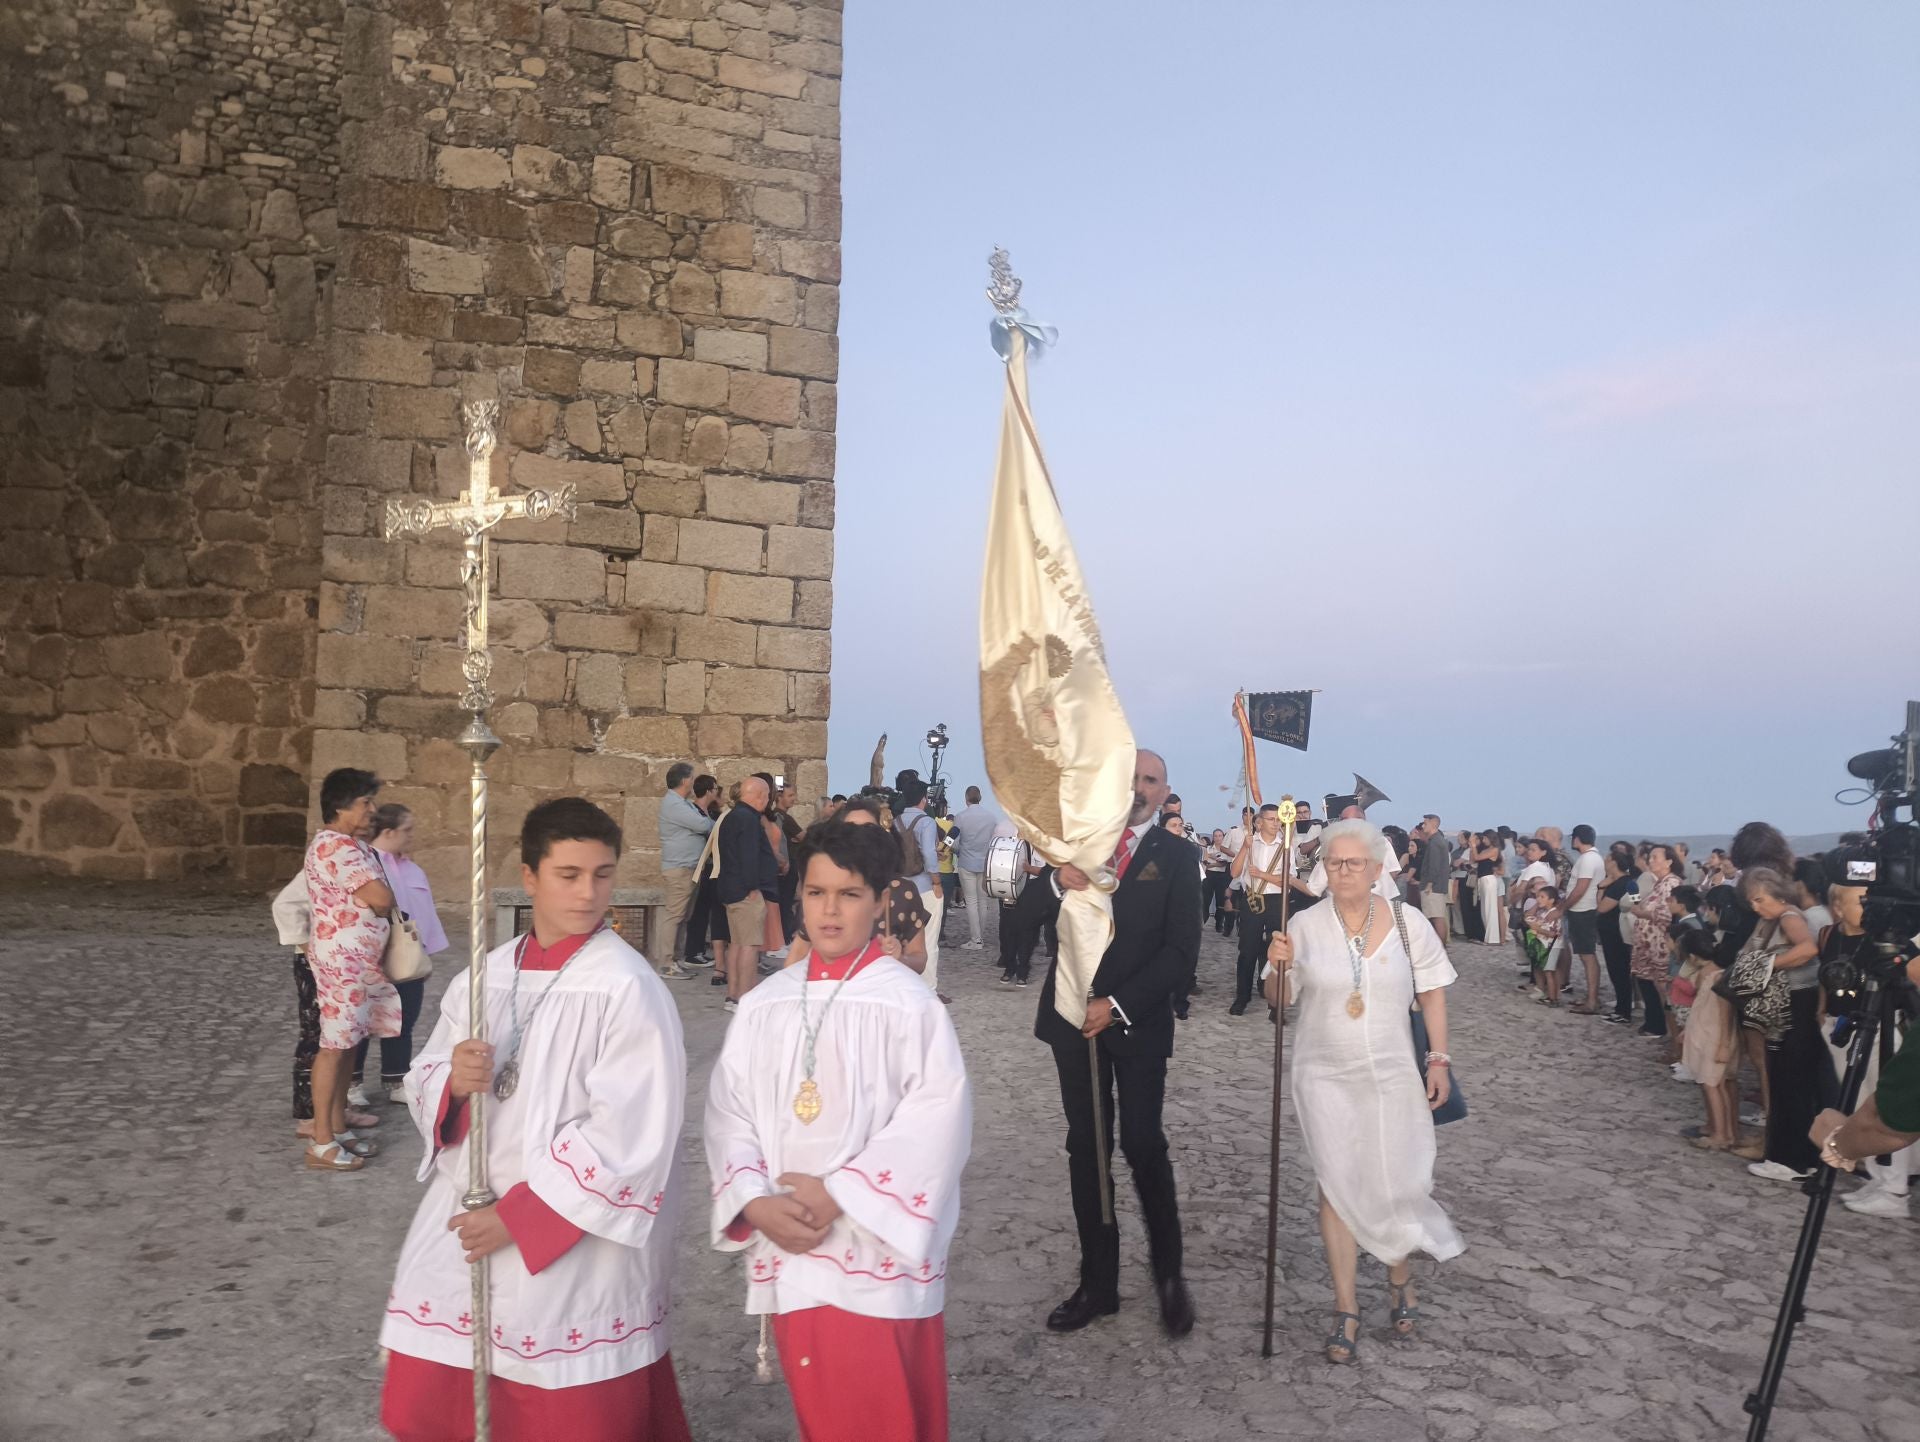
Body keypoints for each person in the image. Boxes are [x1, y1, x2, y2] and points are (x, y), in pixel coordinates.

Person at [378, 797, 692, 1442]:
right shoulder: (486, 977)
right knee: (429, 1403)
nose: (588, 893)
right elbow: (424, 1072)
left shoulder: (627, 987)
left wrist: (519, 1218)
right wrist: (452, 1083)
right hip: (468, 1210)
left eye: (602, 874)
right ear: (530, 876)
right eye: (568, 875)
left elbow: (633, 1131)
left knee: (566, 1415)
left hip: (569, 1232)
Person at [705, 819, 972, 1442]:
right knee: (822, 1412)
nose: (829, 910)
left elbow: (937, 1119)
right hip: (787, 1238)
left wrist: (841, 1193)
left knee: (878, 1416)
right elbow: (728, 1109)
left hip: (874, 1253)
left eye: (849, 894)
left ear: (880, 903)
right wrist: (752, 1199)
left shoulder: (908, 1005)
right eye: (816, 892)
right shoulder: (765, 1003)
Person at [1261, 820, 1462, 1365]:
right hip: (1323, 1073)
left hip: (1392, 1072)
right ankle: (1345, 1306)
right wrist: (1278, 967)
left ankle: (1398, 1275)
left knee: (1394, 1179)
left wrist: (1438, 1060)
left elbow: (1432, 993)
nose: (1343, 871)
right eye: (1334, 862)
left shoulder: (1407, 922)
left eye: (1354, 863)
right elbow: (1279, 999)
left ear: (1376, 869)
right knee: (1336, 1184)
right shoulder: (1303, 924)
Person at [1037, 749, 1199, 1339]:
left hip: (1138, 1023)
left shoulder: (1178, 857)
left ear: (1164, 791)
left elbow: (1181, 952)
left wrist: (1118, 1004)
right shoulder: (1076, 845)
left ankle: (1169, 1277)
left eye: (1149, 780)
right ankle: (1097, 1284)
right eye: (1130, 778)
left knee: (1141, 1143)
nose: (1138, 788)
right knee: (1088, 1148)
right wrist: (1055, 882)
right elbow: (1026, 914)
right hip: (1071, 1021)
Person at [301, 767, 398, 1172]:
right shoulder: (337, 847)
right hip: (342, 962)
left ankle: (337, 1127)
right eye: (365, 802)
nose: (372, 810)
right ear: (341, 806)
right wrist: (383, 901)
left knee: (348, 1044)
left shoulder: (348, 846)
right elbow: (381, 897)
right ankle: (322, 1140)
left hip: (353, 961)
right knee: (334, 1047)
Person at [1739, 866, 1833, 1182]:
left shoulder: (1789, 917)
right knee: (1789, 1081)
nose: (1756, 907)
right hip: (1793, 1003)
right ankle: (1798, 1156)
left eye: (1760, 900)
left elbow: (1807, 949)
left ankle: (1790, 1160)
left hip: (1794, 1002)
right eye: (1751, 902)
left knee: (1789, 1081)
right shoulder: (1780, 917)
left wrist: (1767, 966)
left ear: (1777, 895)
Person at [358, 804, 448, 1103]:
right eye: (407, 830)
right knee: (364, 1020)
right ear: (388, 832)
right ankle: (352, 1084)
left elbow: (426, 912)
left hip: (408, 953)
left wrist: (426, 953)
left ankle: (396, 1080)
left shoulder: (412, 869)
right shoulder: (366, 864)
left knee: (403, 1020)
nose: (411, 837)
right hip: (372, 954)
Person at [783, 796, 931, 976]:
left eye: (868, 831)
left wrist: (899, 959)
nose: (859, 840)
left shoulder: (902, 892)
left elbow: (919, 958)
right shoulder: (823, 889)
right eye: (850, 831)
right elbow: (798, 952)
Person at [716, 776, 780, 1014]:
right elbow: (749, 856)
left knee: (736, 944)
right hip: (746, 892)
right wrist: (753, 887)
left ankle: (733, 995)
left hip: (730, 889)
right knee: (749, 946)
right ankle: (744, 998)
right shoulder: (749, 819)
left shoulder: (732, 816)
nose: (767, 800)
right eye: (766, 795)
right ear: (759, 796)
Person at [1229, 804, 1291, 1017]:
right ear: (1259, 822)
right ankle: (1242, 997)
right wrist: (1244, 848)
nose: (1276, 823)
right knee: (1247, 950)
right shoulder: (1250, 843)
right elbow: (1234, 872)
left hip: (1276, 901)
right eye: (1271, 819)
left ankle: (1275, 1002)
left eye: (1278, 819)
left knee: (1276, 951)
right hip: (1253, 899)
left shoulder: (1285, 846)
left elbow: (1287, 880)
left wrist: (1263, 875)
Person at [655, 761, 714, 981]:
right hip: (680, 868)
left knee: (682, 916)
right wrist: (710, 823)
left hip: (689, 868)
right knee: (674, 916)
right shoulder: (674, 804)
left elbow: (704, 821)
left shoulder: (683, 803)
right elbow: (704, 825)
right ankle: (666, 963)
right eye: (691, 778)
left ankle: (675, 959)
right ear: (684, 780)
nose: (693, 782)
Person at [894, 778, 946, 1000]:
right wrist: (936, 882)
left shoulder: (895, 821)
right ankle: (928, 988)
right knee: (929, 938)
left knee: (902, 939)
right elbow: (927, 853)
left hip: (900, 886)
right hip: (924, 885)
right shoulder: (926, 822)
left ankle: (904, 985)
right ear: (923, 799)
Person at [1627, 844, 1683, 1038]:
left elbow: (1666, 915)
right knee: (1648, 983)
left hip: (1659, 945)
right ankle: (1654, 1023)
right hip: (1648, 945)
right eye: (1649, 857)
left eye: (1655, 857)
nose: (1650, 861)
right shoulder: (1659, 883)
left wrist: (1641, 913)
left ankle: (1664, 1027)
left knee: (1661, 986)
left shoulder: (1671, 883)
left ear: (1669, 861)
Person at [1558, 825, 1605, 1015]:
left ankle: (1592, 1000)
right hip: (1583, 909)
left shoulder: (1588, 859)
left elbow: (1580, 888)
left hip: (1583, 910)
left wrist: (1563, 907)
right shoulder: (1593, 858)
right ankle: (1591, 997)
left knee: (1587, 955)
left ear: (1577, 839)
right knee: (1586, 955)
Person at [683, 775, 724, 982]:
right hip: (699, 866)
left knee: (706, 909)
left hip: (711, 867)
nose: (717, 792)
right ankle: (692, 952)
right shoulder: (693, 812)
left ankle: (698, 950)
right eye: (715, 788)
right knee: (697, 909)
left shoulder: (711, 812)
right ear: (708, 790)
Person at [952, 786, 1000, 952]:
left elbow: (953, 840)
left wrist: (955, 850)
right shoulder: (991, 818)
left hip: (966, 862)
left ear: (966, 798)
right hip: (985, 863)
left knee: (971, 901)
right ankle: (980, 936)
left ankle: (976, 939)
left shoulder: (960, 817)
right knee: (982, 901)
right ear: (980, 798)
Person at [1596, 850, 1638, 1024]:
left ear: (1614, 862)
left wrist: (1601, 887)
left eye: (1607, 859)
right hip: (1620, 932)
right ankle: (1622, 1008)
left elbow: (1601, 908)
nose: (1605, 861)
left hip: (1615, 933)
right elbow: (1637, 901)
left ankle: (1623, 1011)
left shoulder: (1620, 884)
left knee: (1618, 971)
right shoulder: (1630, 882)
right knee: (1620, 971)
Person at [1414, 815, 1452, 943]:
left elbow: (1434, 865)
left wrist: (1429, 883)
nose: (1423, 826)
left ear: (1432, 824)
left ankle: (1440, 946)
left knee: (1436, 917)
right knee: (1436, 916)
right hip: (1437, 885)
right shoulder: (1438, 840)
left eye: (1425, 823)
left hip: (1433, 886)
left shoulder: (1435, 842)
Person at [1471, 832, 1506, 943]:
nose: (1483, 840)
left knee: (1490, 909)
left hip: (1489, 879)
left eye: (1485, 838)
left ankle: (1493, 938)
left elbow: (1477, 857)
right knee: (1484, 909)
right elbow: (1473, 860)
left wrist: (1473, 845)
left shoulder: (1494, 850)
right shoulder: (1485, 850)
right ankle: (1488, 936)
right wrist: (1473, 847)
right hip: (1482, 879)